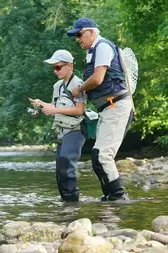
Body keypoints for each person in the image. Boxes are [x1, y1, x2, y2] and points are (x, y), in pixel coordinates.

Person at [67, 18, 134, 201]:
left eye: (79, 34)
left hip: (116, 106)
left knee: (102, 155)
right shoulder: (93, 52)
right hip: (108, 108)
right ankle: (110, 196)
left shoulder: (102, 47)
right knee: (97, 157)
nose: (77, 39)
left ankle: (118, 197)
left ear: (91, 32)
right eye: (76, 36)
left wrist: (79, 89)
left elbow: (97, 79)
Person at [29, 50, 86, 202]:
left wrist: (54, 109)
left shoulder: (79, 84)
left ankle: (73, 205)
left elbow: (80, 110)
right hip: (61, 132)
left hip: (76, 130)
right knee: (60, 171)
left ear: (69, 66)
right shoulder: (57, 86)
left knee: (67, 168)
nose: (55, 71)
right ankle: (66, 205)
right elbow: (55, 106)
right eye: (53, 68)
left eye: (58, 67)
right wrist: (42, 104)